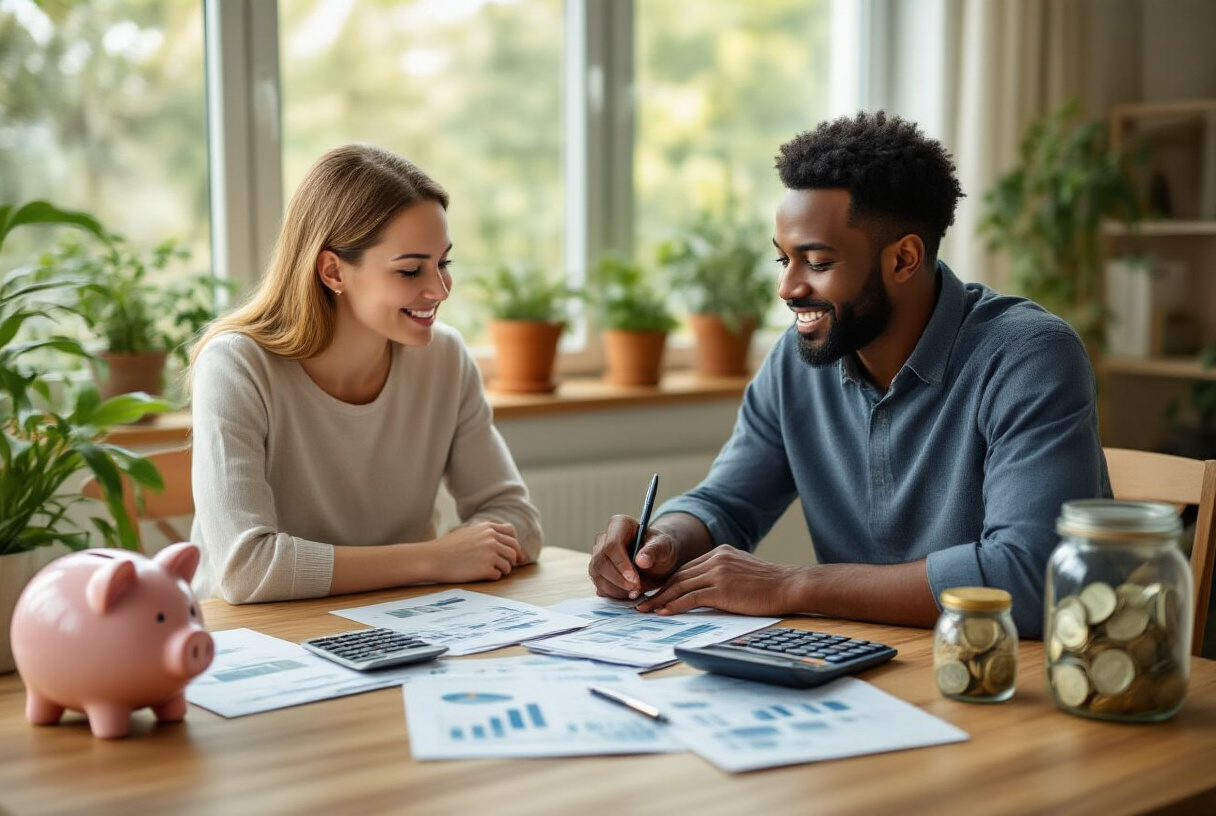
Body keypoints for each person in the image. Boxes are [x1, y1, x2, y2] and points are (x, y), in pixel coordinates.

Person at [588, 112, 1108, 638]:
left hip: (1016, 677)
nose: (788, 288)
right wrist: (665, 541)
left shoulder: (1028, 356)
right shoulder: (798, 359)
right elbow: (727, 502)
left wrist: (793, 585)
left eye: (815, 262)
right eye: (783, 260)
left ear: (903, 259)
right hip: (870, 664)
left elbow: (1029, 574)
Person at [188, 144, 543, 604]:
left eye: (444, 263)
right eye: (411, 269)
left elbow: (518, 518)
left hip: (404, 621)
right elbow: (247, 570)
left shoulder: (446, 358)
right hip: (256, 639)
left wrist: (474, 546)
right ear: (333, 271)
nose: (439, 289)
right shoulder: (236, 366)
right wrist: (433, 558)